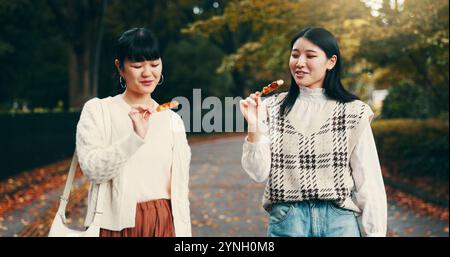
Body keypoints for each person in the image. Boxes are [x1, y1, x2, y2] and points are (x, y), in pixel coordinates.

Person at [240, 27, 387, 237]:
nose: (299, 63)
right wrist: (254, 126)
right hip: (288, 222)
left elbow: (369, 183)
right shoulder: (270, 107)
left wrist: (375, 233)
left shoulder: (354, 112)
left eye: (310, 56)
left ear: (331, 62)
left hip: (339, 222)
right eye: (295, 55)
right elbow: (257, 173)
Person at [76, 27, 191, 237]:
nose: (148, 73)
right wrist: (134, 138)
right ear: (120, 68)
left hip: (165, 223)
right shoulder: (99, 111)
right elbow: (92, 170)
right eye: (137, 65)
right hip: (115, 227)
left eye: (155, 64)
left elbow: (181, 189)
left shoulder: (172, 120)